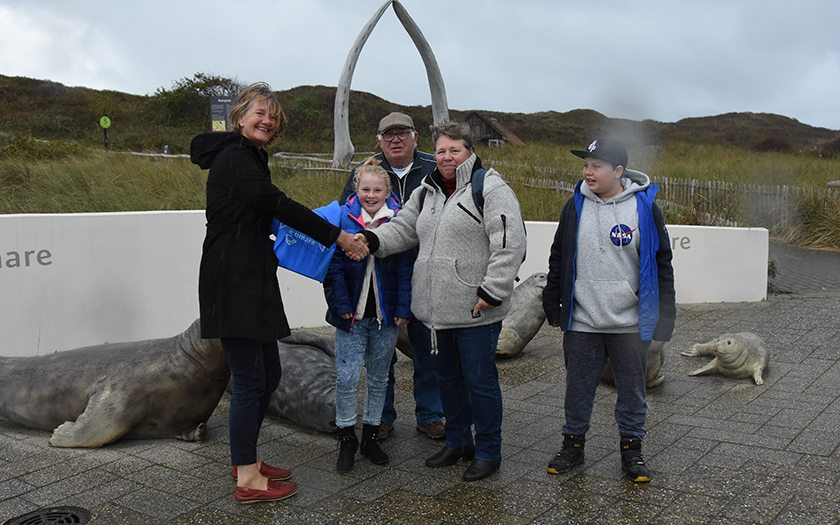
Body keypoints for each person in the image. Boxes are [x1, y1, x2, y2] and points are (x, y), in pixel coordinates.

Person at [190, 82, 368, 504]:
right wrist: (339, 237)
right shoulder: (235, 156)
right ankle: (247, 479)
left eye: (273, 116)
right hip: (233, 284)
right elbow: (277, 204)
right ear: (239, 115)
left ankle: (244, 459)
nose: (266, 120)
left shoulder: (246, 155)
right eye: (259, 112)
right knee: (252, 380)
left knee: (267, 373)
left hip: (251, 280)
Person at [359, 122, 526, 482]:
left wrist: (492, 291)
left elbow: (510, 243)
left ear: (470, 151)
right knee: (447, 379)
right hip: (436, 312)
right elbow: (402, 228)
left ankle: (488, 451)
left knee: (480, 383)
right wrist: (371, 241)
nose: (446, 157)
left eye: (455, 150)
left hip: (476, 310)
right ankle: (458, 442)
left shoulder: (491, 188)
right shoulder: (426, 192)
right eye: (440, 151)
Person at [541, 138, 676, 483]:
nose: (587, 172)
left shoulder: (644, 209)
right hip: (583, 321)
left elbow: (661, 264)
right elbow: (558, 257)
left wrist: (665, 317)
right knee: (578, 389)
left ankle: (632, 451)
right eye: (585, 165)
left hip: (629, 323)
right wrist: (552, 300)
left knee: (632, 391)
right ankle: (573, 445)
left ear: (618, 171)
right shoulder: (574, 208)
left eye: (596, 166)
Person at [339, 112, 445, 441]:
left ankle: (430, 415)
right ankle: (380, 418)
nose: (395, 140)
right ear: (379, 140)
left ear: (415, 137)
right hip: (380, 283)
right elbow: (347, 216)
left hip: (425, 274)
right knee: (379, 355)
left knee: (427, 350)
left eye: (402, 133)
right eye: (389, 135)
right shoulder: (366, 172)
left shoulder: (434, 169)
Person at [324, 158, 413, 472]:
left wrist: (403, 308)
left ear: (388, 191)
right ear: (356, 189)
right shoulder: (342, 219)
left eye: (378, 189)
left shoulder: (399, 222)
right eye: (365, 189)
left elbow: (405, 268)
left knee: (379, 378)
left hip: (384, 318)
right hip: (351, 316)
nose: (371, 195)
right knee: (347, 378)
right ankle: (347, 436)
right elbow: (332, 269)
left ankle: (371, 435)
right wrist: (340, 304)